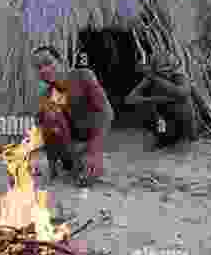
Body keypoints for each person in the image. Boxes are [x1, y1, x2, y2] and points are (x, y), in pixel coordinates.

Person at [33, 46, 114, 187]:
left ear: (61, 62)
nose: (44, 70)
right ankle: (72, 164)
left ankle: (86, 162)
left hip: (90, 143)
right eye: (38, 67)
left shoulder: (83, 76)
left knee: (91, 172)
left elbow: (106, 112)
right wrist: (52, 165)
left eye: (48, 63)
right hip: (69, 150)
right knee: (49, 114)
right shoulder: (46, 96)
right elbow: (44, 132)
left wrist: (94, 151)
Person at [124, 52, 197, 150]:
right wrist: (157, 99)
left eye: (168, 69)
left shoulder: (179, 77)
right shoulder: (151, 78)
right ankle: (162, 138)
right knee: (155, 120)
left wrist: (156, 79)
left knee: (183, 109)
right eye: (162, 69)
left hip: (182, 121)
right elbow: (130, 99)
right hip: (164, 120)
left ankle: (183, 138)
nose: (166, 72)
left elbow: (182, 93)